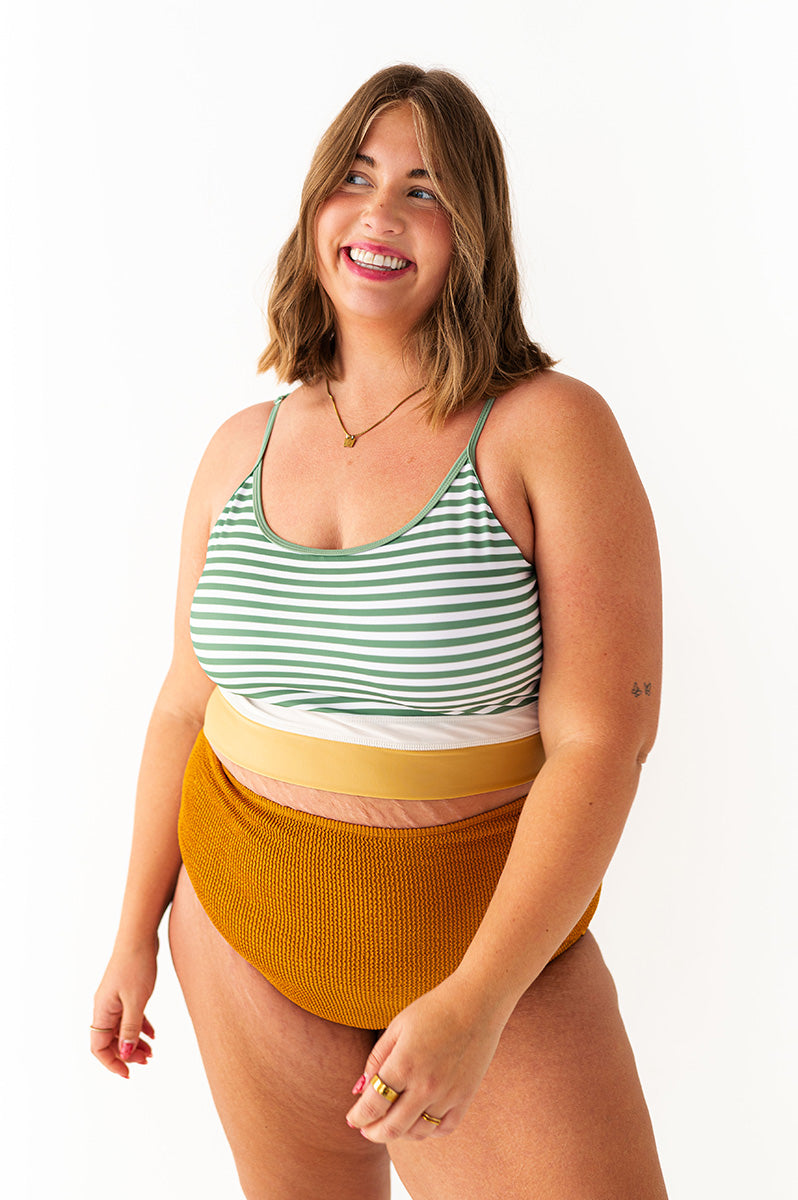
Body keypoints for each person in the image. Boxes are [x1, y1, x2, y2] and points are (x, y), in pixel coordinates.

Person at [92, 64, 668, 1199]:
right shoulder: (239, 446)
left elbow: (604, 739)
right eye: (354, 178)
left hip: (484, 963)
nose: (381, 213)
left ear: (474, 231)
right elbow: (182, 705)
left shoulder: (548, 429)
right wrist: (132, 934)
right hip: (242, 934)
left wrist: (479, 1000)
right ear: (316, 209)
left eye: (425, 189)